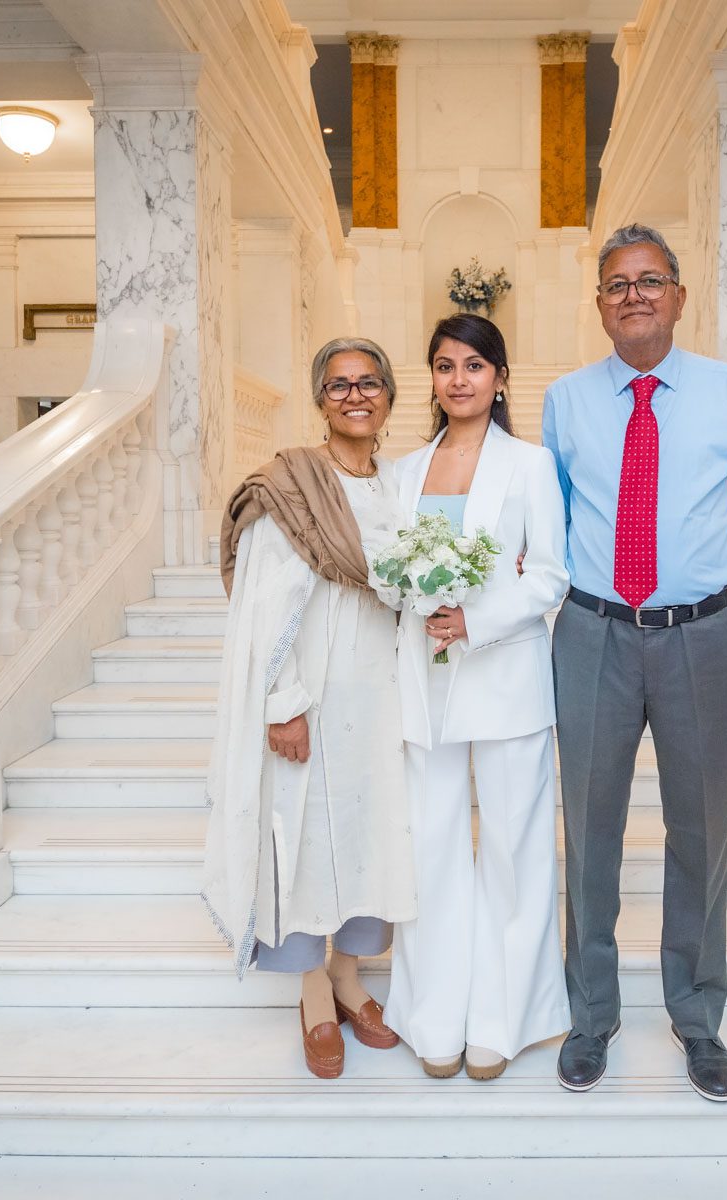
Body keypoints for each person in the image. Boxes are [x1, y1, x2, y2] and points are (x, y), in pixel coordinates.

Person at [541, 224, 727, 1102]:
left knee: (700, 830)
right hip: (592, 633)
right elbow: (554, 518)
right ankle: (590, 1016)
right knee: (589, 832)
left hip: (702, 637)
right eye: (616, 284)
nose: (634, 294)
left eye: (651, 280)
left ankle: (697, 1018)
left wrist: (697, 593)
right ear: (599, 305)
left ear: (679, 294)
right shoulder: (567, 400)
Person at [202, 336, 415, 1080]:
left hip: (383, 702)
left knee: (370, 836)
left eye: (368, 383)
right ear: (319, 399)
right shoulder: (292, 486)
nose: (355, 395)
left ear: (388, 395)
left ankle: (352, 975)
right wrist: (282, 703)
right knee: (306, 842)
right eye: (338, 385)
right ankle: (314, 993)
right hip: (314, 700)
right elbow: (265, 607)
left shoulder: (397, 486)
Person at [385, 313, 572, 1081]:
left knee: (514, 850)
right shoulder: (402, 473)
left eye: (473, 365)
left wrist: (476, 619)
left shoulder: (530, 466)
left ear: (499, 377)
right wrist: (415, 602)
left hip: (505, 679)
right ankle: (434, 1017)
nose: (457, 379)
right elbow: (390, 571)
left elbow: (551, 576)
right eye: (443, 366)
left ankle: (506, 1017)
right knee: (428, 850)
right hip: (424, 682)